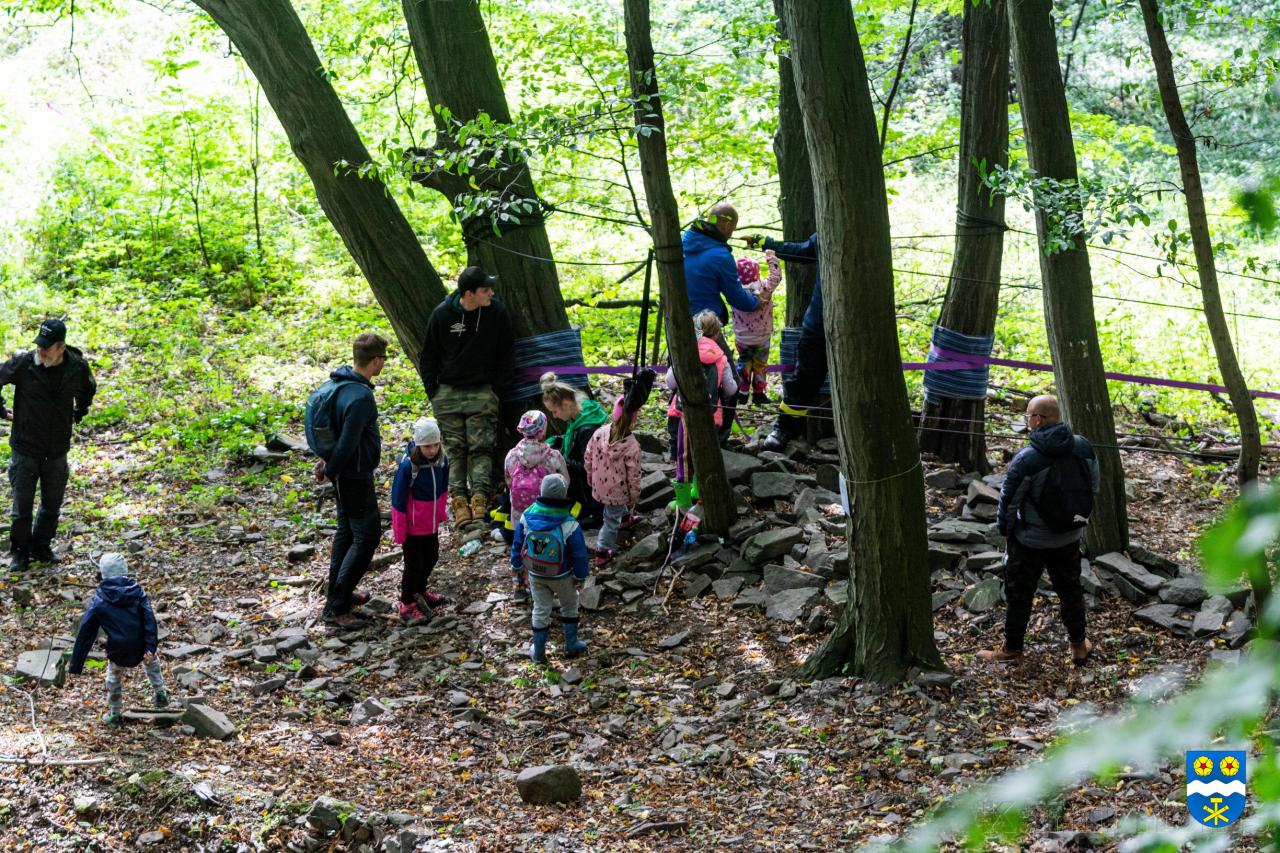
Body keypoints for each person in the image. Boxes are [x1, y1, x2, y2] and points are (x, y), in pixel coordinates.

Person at [978, 395, 1100, 666]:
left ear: (1038, 419)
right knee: (1070, 590)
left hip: (1030, 541)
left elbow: (1009, 502)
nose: (1027, 420)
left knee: (1019, 593)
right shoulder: (1083, 446)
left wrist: (1007, 532)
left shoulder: (1028, 459)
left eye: (1029, 415)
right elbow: (1093, 488)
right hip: (1069, 536)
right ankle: (1078, 645)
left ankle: (1012, 649)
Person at [418, 266, 514, 527]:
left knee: (481, 447)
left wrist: (496, 390)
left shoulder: (496, 312)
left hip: (482, 391)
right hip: (447, 393)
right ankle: (459, 501)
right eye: (485, 290)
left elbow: (507, 352)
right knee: (455, 449)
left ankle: (480, 500)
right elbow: (428, 357)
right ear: (469, 294)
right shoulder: (441, 314)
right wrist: (434, 393)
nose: (491, 293)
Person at [0, 318, 97, 571]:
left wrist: (79, 411)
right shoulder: (24, 363)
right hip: (25, 448)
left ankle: (41, 546)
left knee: (51, 505)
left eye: (47, 347)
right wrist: (1, 411)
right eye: (39, 345)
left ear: (61, 347)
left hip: (56, 450)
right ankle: (20, 552)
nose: (41, 351)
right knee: (22, 508)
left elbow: (88, 389)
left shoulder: (76, 366)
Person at [313, 332, 388, 629]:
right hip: (354, 474)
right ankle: (336, 606)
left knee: (346, 531)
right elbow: (347, 440)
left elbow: (333, 432)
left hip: (344, 473)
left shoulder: (338, 385)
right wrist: (332, 467)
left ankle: (338, 591)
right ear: (376, 360)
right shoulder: (361, 396)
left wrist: (327, 462)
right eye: (383, 359)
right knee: (367, 536)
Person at [742, 233, 826, 453]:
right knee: (804, 377)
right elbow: (802, 251)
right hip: (818, 322)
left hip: (858, 325)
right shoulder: (823, 235)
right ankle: (786, 428)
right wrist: (768, 244)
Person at [68, 553, 168, 726]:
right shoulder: (138, 592)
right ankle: (160, 693)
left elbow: (86, 631)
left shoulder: (99, 599)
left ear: (103, 573)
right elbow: (149, 620)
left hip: (118, 649)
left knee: (113, 679)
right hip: (141, 645)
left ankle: (115, 714)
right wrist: (151, 646)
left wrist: (76, 664)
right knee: (152, 662)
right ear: (125, 570)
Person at [511, 474, 590, 664]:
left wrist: (517, 566)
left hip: (535, 573)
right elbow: (579, 554)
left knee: (540, 609)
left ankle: (538, 652)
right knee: (570, 606)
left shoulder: (527, 516)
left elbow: (517, 544)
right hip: (562, 575)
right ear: (564, 495)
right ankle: (571, 644)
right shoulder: (569, 522)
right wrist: (580, 576)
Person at [390, 417, 449, 623]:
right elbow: (398, 500)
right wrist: (399, 531)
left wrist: (440, 514)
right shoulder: (409, 467)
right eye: (427, 446)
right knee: (413, 565)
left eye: (435, 445)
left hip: (430, 525)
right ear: (418, 444)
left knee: (431, 558)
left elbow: (443, 489)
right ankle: (406, 602)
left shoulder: (442, 461)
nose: (432, 450)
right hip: (413, 528)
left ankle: (420, 591)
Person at [505, 410, 569, 599]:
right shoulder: (553, 456)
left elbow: (508, 481)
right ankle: (545, 580)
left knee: (520, 545)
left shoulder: (512, 455)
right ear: (542, 431)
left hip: (520, 513)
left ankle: (519, 585)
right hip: (546, 512)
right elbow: (565, 482)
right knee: (545, 544)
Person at [540, 373, 609, 528]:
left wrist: (561, 459)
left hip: (594, 488)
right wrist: (559, 440)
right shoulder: (579, 415)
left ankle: (596, 515)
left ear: (565, 404)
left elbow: (589, 468)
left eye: (554, 411)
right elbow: (573, 439)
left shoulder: (587, 429)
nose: (554, 417)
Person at [584, 397, 642, 566]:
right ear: (634, 419)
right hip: (617, 491)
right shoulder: (632, 446)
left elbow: (588, 455)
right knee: (610, 520)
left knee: (614, 509)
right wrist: (634, 496)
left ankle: (625, 518)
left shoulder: (599, 432)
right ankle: (602, 551)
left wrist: (590, 473)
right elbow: (633, 476)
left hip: (599, 484)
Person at [682, 202, 759, 326]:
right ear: (727, 226)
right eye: (733, 229)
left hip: (677, 318)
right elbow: (737, 298)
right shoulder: (721, 256)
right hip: (705, 324)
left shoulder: (682, 242)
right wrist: (756, 302)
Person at [730, 250, 781, 406]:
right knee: (760, 364)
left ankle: (743, 392)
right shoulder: (764, 289)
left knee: (744, 363)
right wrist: (771, 257)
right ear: (756, 273)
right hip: (762, 337)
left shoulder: (734, 292)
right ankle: (758, 393)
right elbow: (776, 277)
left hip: (742, 338)